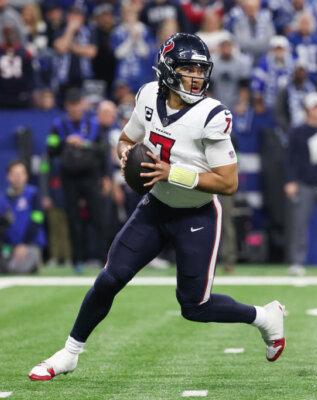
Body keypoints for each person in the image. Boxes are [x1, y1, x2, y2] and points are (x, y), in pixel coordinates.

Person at [28, 33, 285, 381]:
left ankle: (264, 317)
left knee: (195, 307)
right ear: (167, 70)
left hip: (196, 214)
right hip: (155, 206)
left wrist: (171, 172)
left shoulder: (211, 114)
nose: (195, 76)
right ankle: (69, 352)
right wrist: (123, 157)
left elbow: (228, 183)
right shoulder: (148, 95)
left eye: (200, 69)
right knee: (109, 279)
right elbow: (126, 138)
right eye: (187, 68)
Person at [46, 89, 109, 270]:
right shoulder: (58, 125)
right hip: (69, 176)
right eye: (71, 106)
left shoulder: (94, 124)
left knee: (98, 218)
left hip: (90, 175)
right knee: (73, 219)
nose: (74, 109)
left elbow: (102, 150)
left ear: (82, 105)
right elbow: (50, 149)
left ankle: (103, 258)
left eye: (77, 105)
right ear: (67, 107)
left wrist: (84, 143)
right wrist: (66, 141)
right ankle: (77, 260)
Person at [284, 92, 317, 276]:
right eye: (315, 106)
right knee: (300, 224)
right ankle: (298, 261)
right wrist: (290, 181)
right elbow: (290, 159)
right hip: (305, 183)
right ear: (307, 110)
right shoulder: (297, 132)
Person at [0, 160, 45, 274]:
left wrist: (24, 244)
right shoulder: (2, 199)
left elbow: (37, 221)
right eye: (15, 174)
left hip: (29, 245)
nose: (18, 177)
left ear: (26, 176)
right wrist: (9, 246)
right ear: (8, 177)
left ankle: (35, 262)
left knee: (18, 269)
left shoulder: (34, 194)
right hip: (9, 247)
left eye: (21, 174)